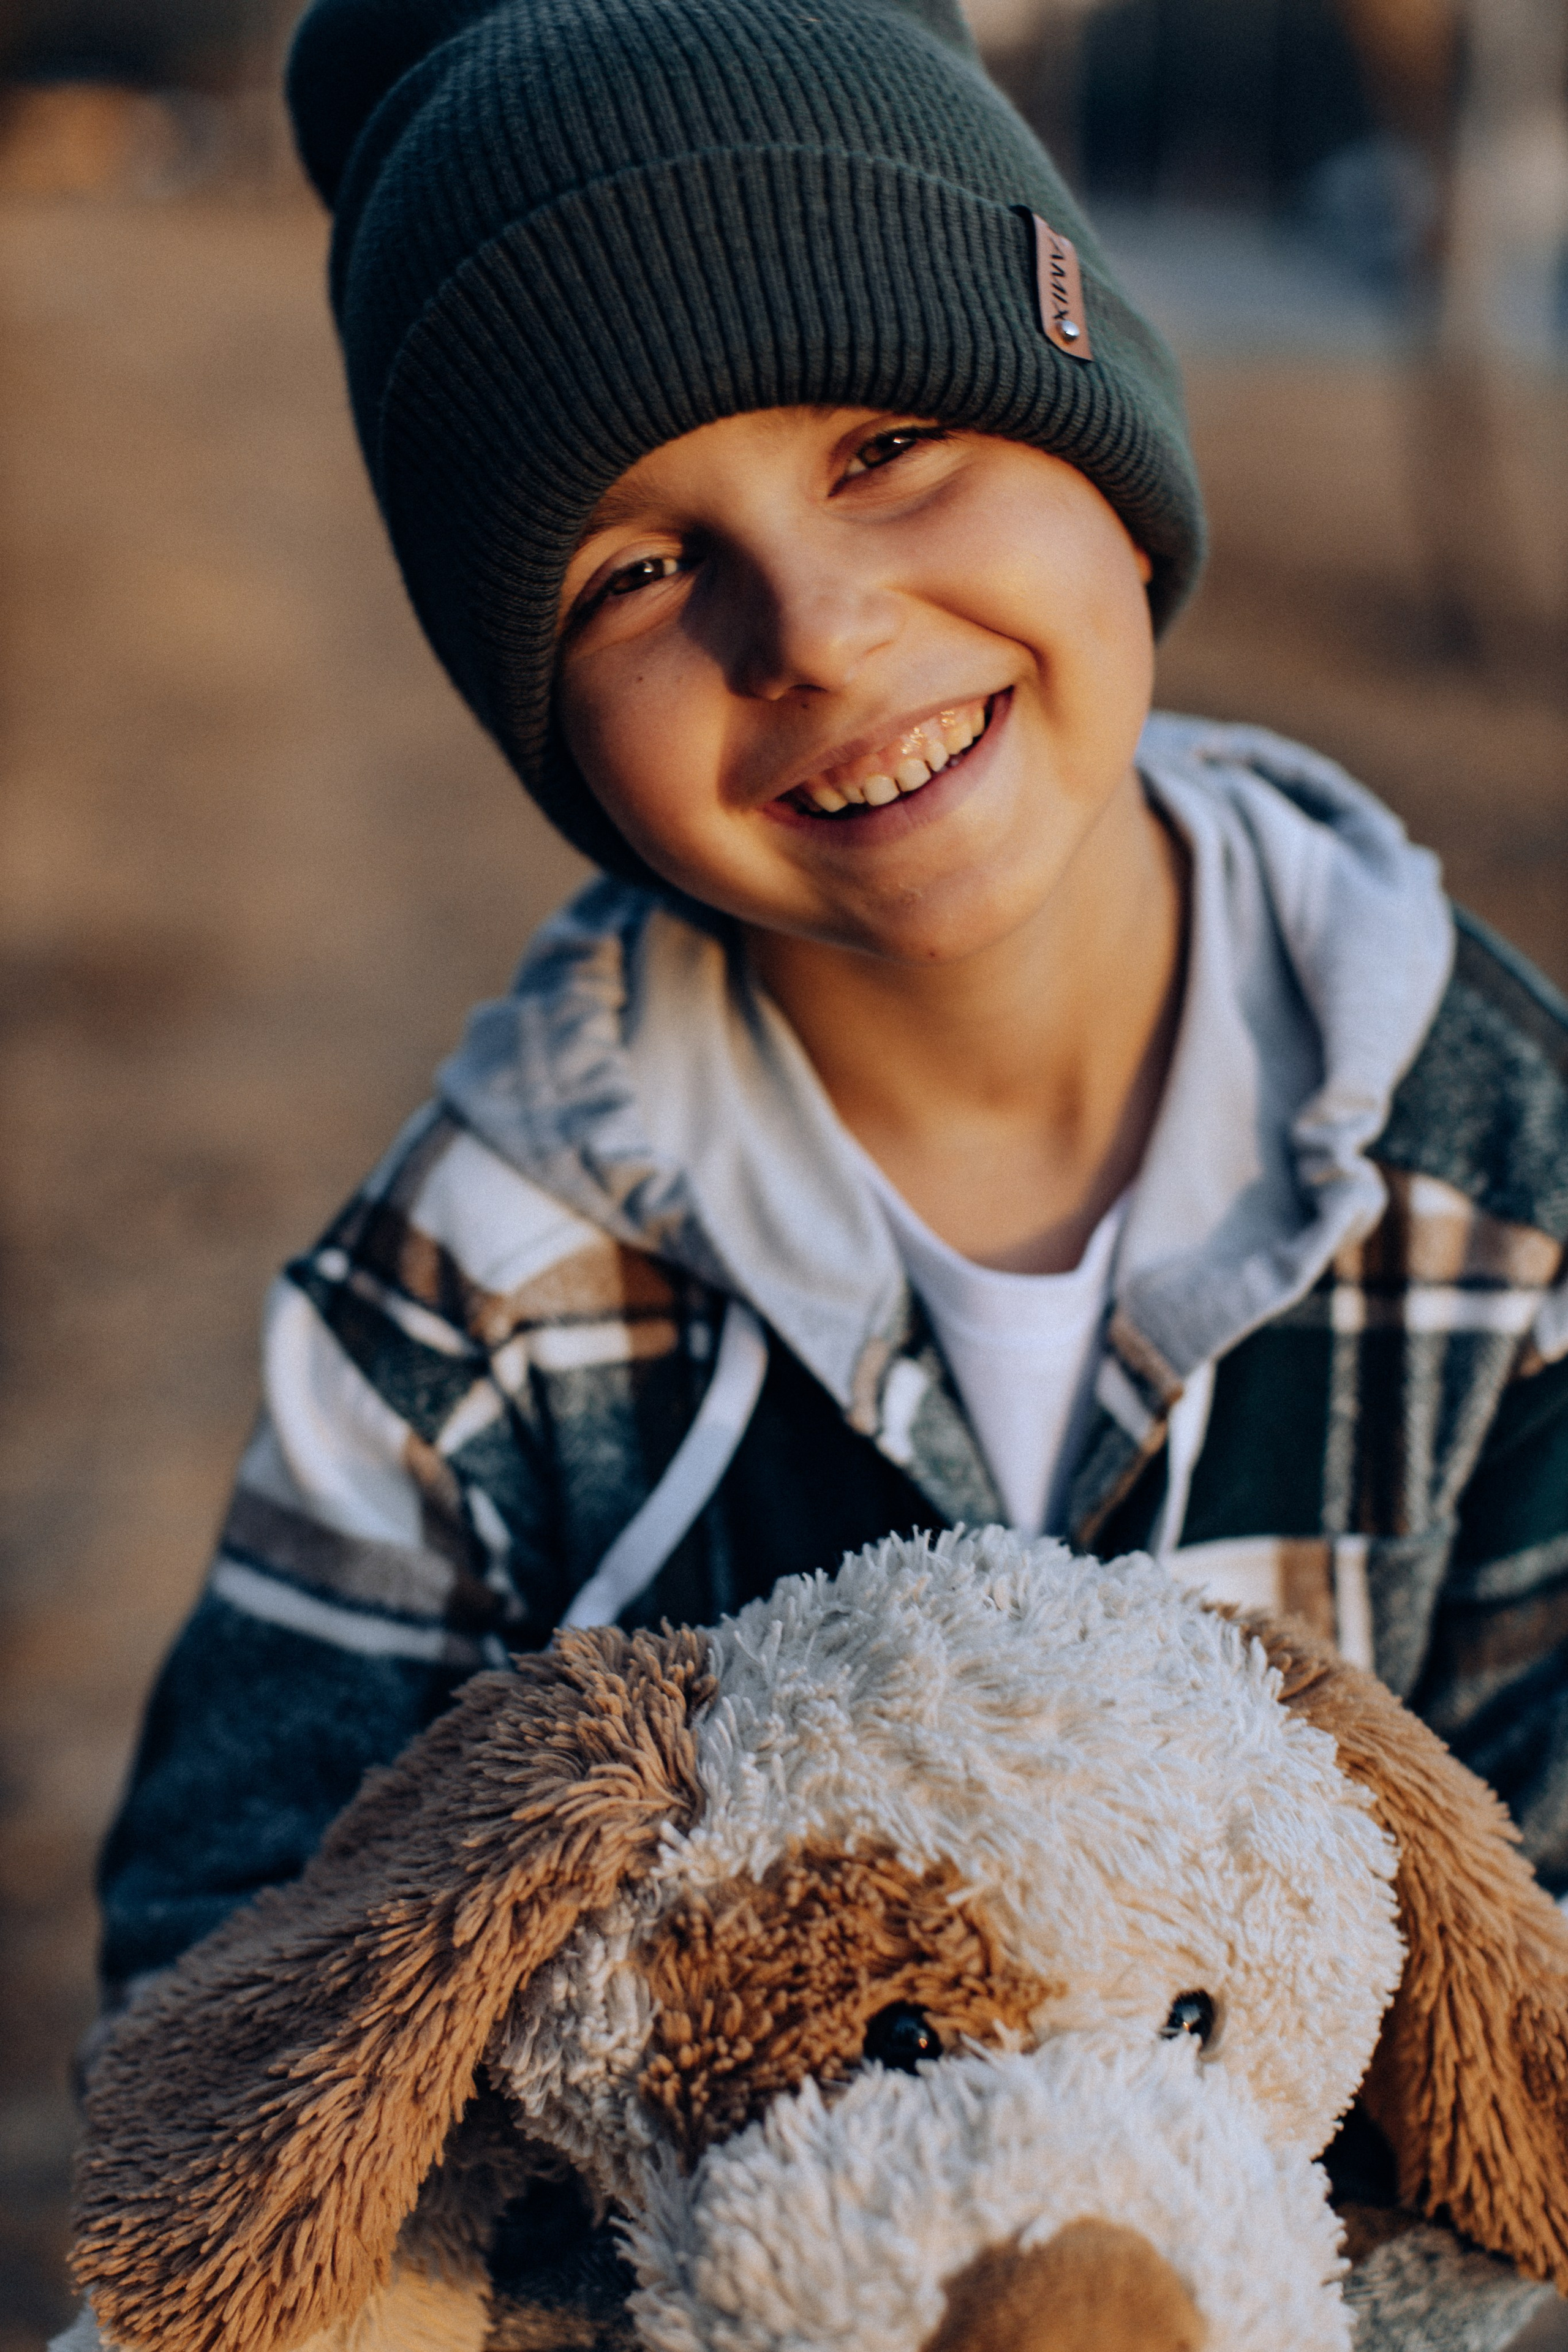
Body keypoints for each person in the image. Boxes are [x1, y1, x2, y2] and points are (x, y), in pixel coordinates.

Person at [100, 0, 1568, 2045]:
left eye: (884, 446)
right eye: (636, 569)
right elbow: (219, 2002)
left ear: (1103, 442)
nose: (812, 630)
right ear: (549, 727)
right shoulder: (465, 1304)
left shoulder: (1515, 1199)